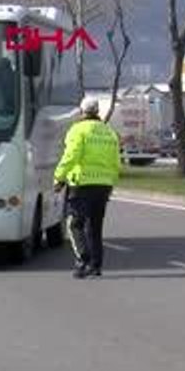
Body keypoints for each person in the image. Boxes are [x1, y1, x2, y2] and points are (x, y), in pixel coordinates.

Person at [54, 96, 122, 279]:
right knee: (95, 226)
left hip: (82, 183)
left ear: (82, 111)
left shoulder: (78, 130)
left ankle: (83, 259)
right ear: (98, 111)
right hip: (104, 185)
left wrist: (59, 178)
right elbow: (116, 161)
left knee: (74, 223)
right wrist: (111, 182)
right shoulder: (109, 132)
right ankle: (96, 265)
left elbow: (71, 156)